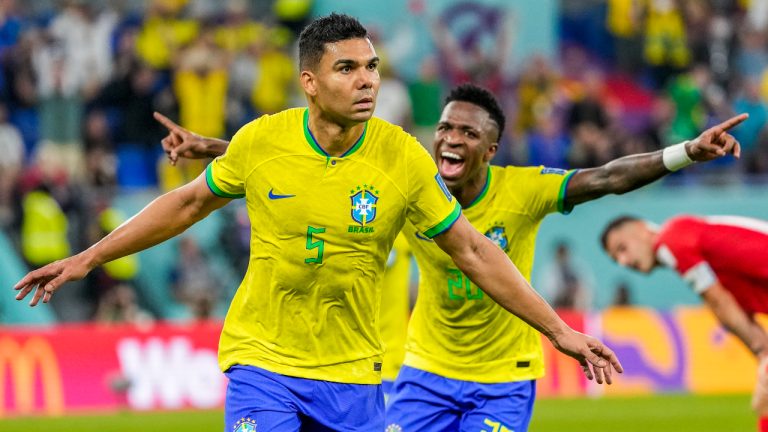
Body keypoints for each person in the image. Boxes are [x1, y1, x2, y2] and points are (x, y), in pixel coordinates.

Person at [13, 14, 621, 432]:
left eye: (373, 66)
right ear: (310, 82)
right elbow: (188, 203)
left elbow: (473, 250)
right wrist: (88, 257)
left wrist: (556, 329)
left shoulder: (402, 156)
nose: (368, 81)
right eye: (348, 69)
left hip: (356, 374)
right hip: (264, 361)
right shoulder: (262, 140)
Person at [155, 79, 744, 431]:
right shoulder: (413, 189)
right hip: (425, 372)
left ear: (490, 148)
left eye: (466, 133)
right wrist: (211, 146)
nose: (449, 139)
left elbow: (608, 177)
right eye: (444, 129)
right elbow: (302, 161)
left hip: (504, 379)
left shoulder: (526, 189)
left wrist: (685, 152)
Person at [601, 214, 768, 432]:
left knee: (764, 403)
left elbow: (718, 301)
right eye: (616, 260)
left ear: (641, 229)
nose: (624, 262)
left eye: (622, 248)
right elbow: (734, 310)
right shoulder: (694, 240)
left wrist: (762, 354)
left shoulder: (671, 242)